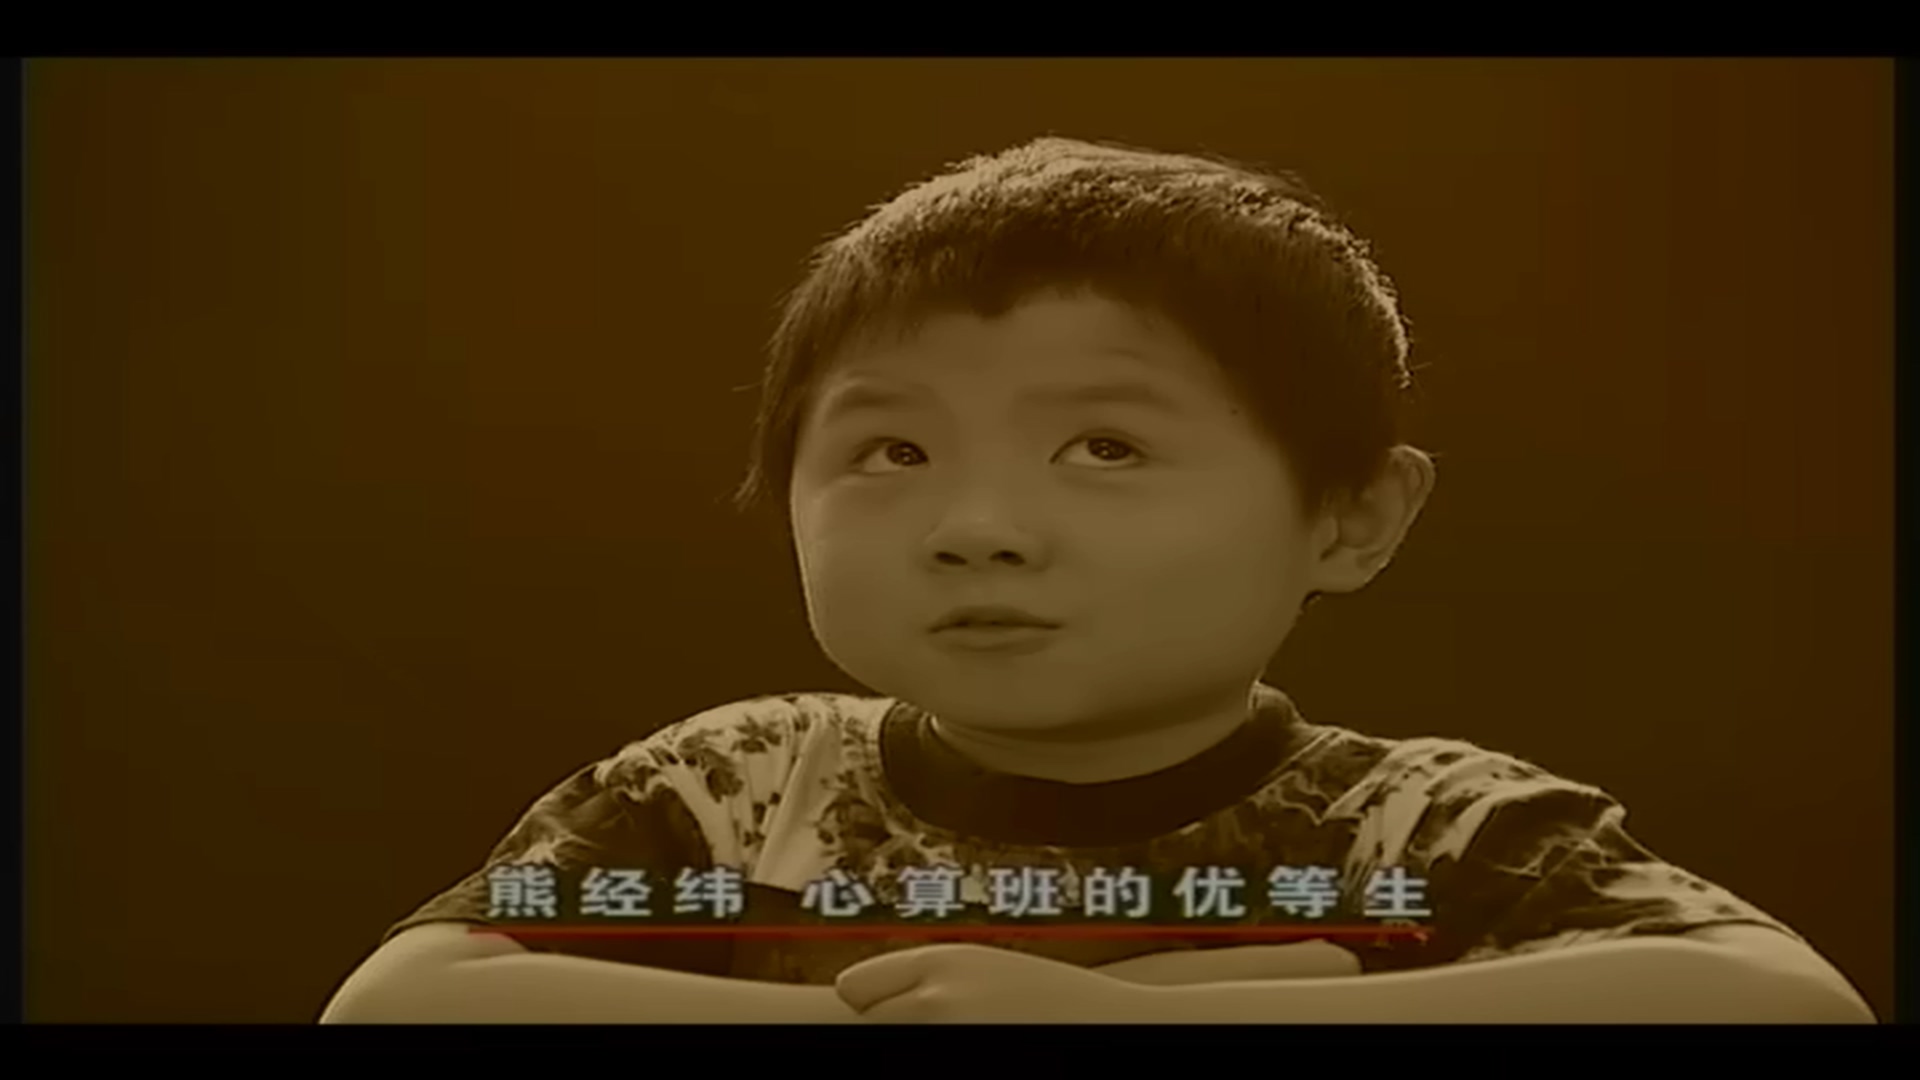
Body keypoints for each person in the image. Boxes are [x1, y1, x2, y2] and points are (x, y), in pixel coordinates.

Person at [319, 136, 1874, 1024]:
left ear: (1354, 520)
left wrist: (1143, 1022)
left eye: (1105, 448)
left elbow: (1782, 1002)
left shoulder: (1422, 831)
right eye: (892, 451)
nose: (978, 527)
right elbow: (408, 999)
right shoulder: (732, 792)